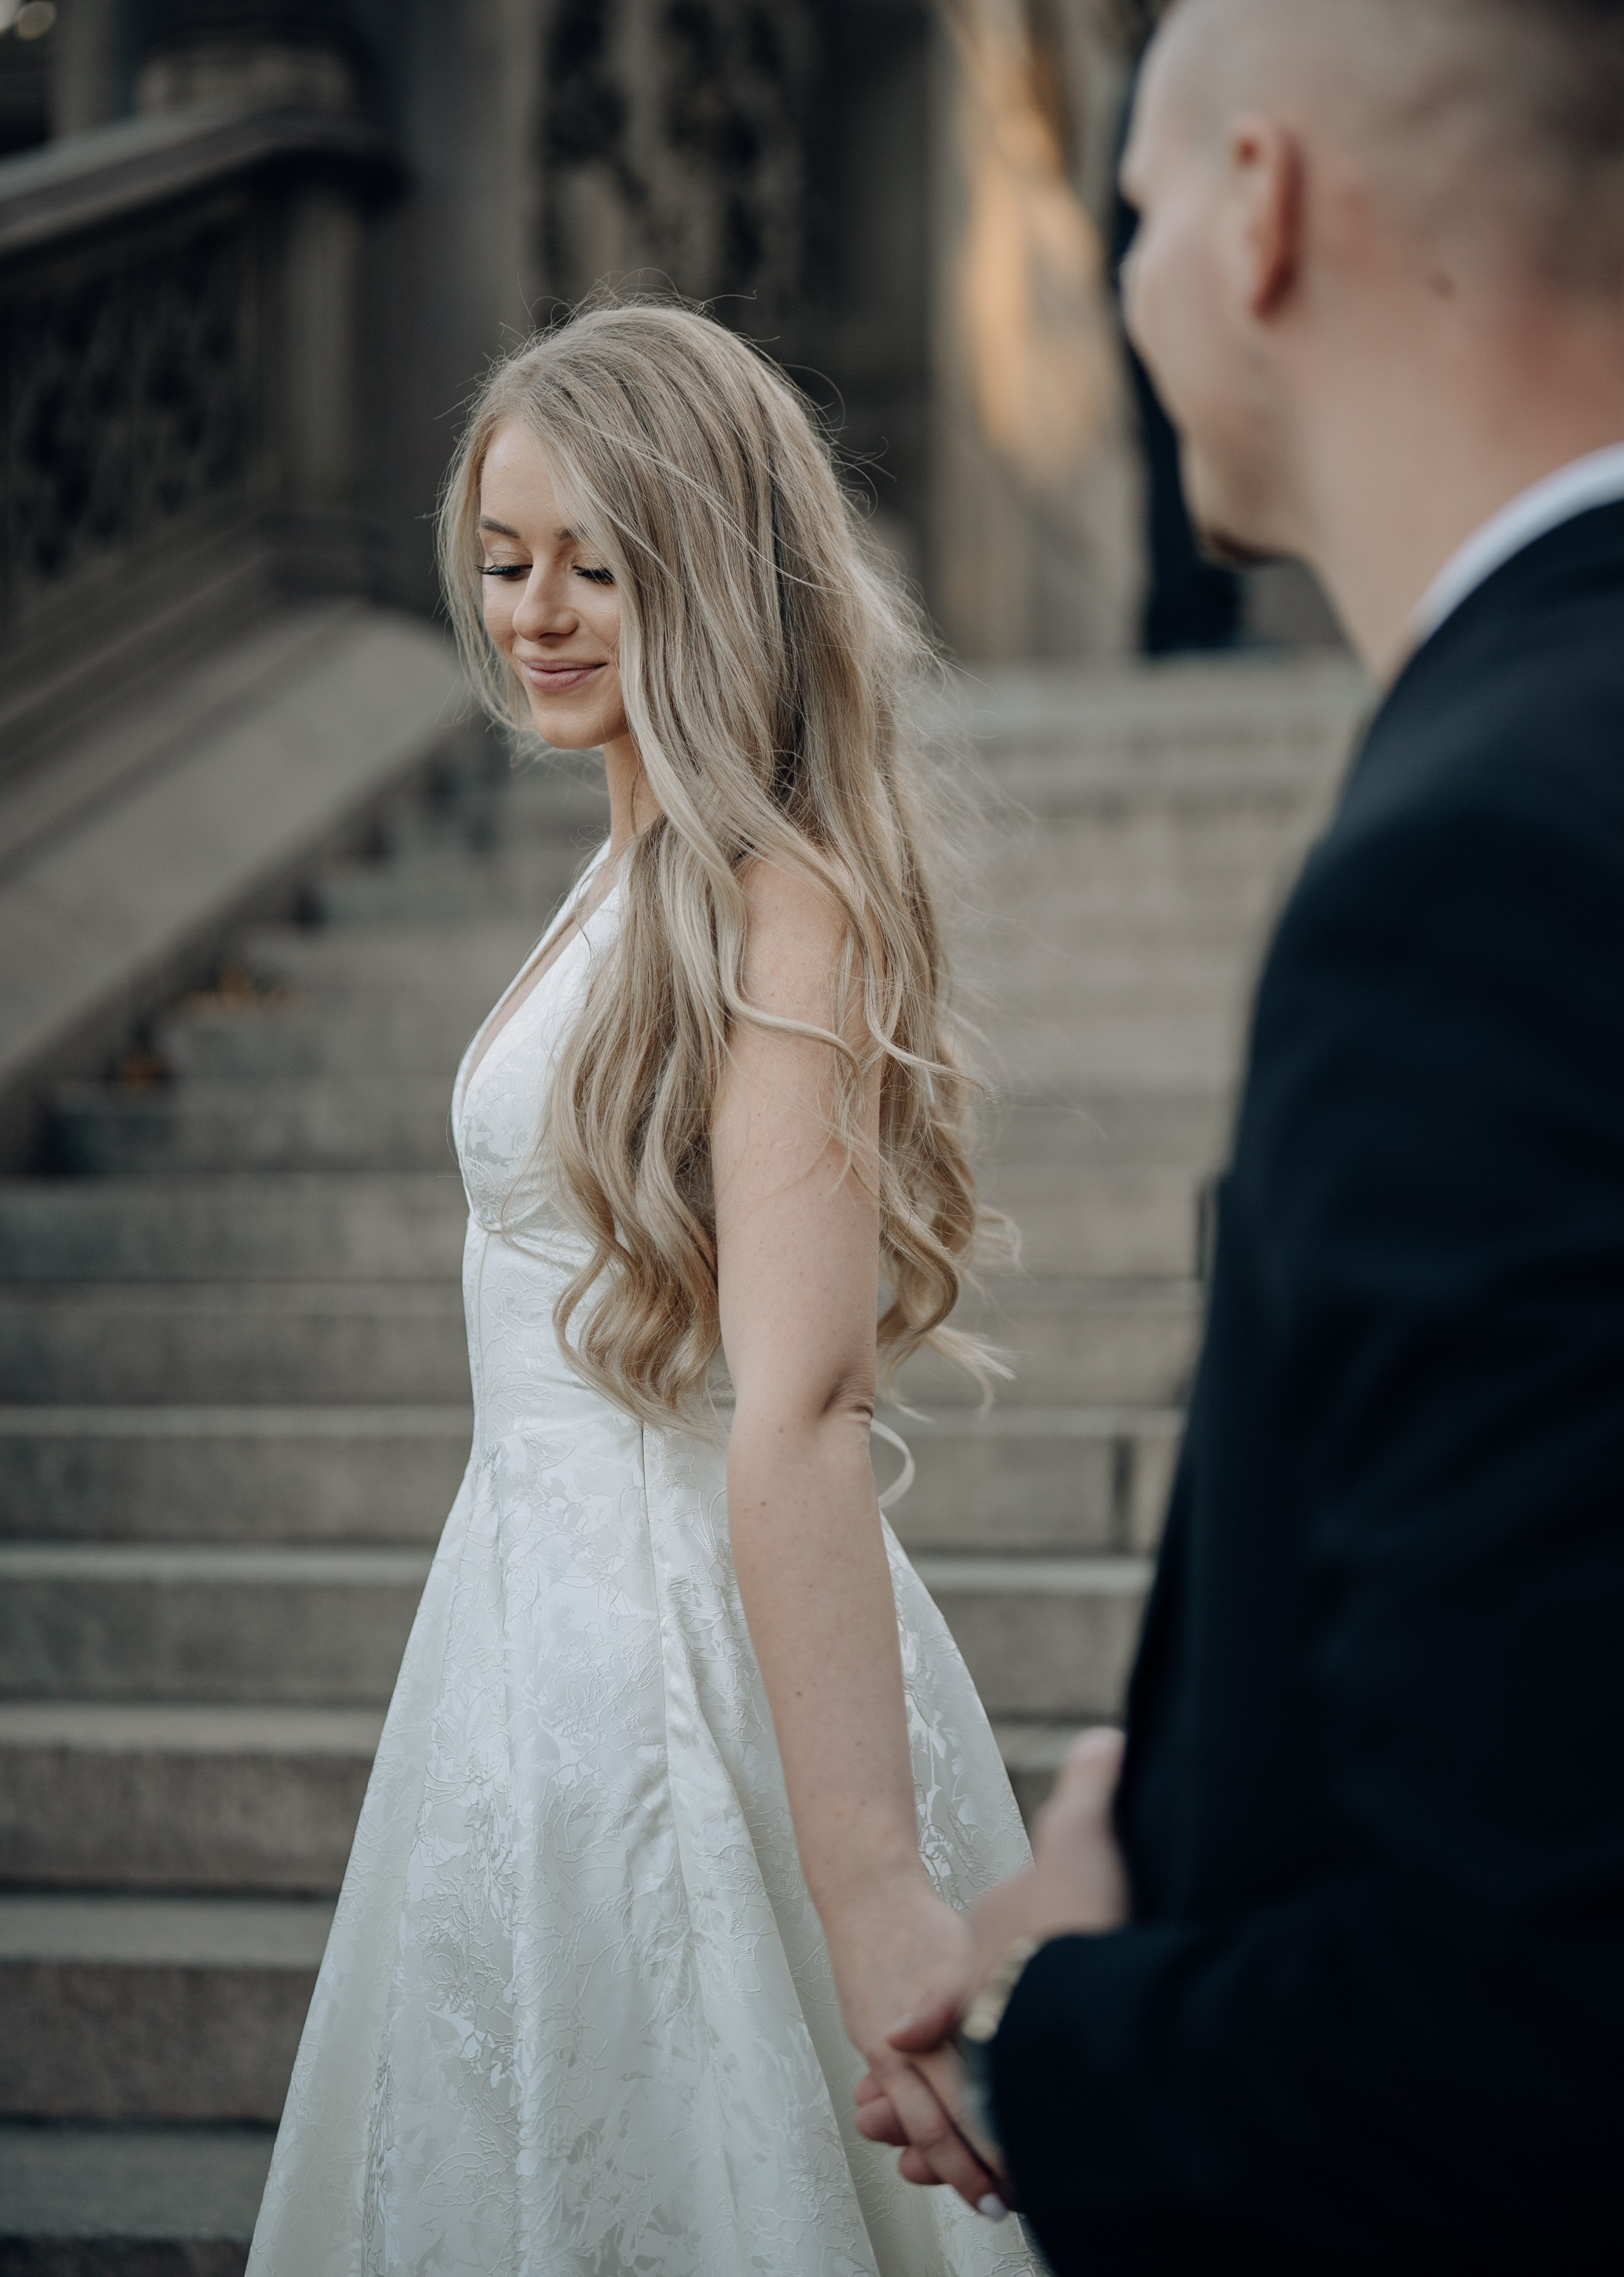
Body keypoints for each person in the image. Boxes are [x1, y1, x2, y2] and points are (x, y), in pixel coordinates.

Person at [858, 2, 1624, 2269]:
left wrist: (1057, 2017)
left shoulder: (1496, 871)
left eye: (1135, 212)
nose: (1130, 278)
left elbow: (1573, 2022)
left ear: (1259, 210)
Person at [247, 303, 1040, 2277]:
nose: (538, 612)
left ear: (711, 568)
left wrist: (865, 1881)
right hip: (523, 1624)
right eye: (506, 560)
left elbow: (804, 1402)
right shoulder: (628, 875)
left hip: (675, 1657)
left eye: (597, 564)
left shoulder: (786, 900)